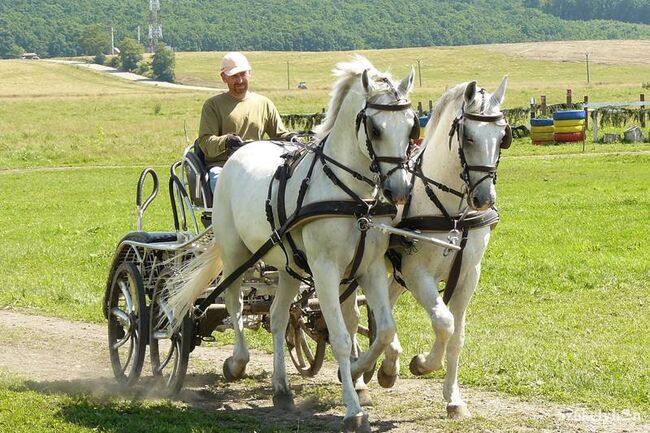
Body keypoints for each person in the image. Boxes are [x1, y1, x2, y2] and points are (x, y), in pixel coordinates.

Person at [196, 51, 294, 191]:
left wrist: (291, 137)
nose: (240, 80)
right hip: (224, 167)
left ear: (250, 73)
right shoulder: (213, 105)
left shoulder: (264, 103)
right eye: (234, 76)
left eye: (243, 74)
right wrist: (226, 141)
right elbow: (205, 143)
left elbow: (280, 135)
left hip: (258, 165)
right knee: (224, 188)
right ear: (224, 77)